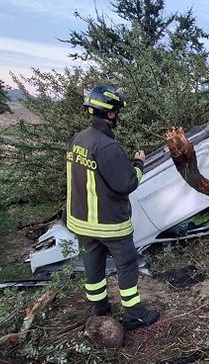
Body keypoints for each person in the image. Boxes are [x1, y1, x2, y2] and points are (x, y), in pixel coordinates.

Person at [66, 85, 159, 330]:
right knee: (127, 264)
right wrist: (138, 163)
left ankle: (99, 308)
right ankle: (134, 313)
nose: (117, 116)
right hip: (109, 224)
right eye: (116, 111)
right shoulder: (107, 147)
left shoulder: (78, 139)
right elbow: (127, 183)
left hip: (81, 222)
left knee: (93, 264)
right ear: (109, 114)